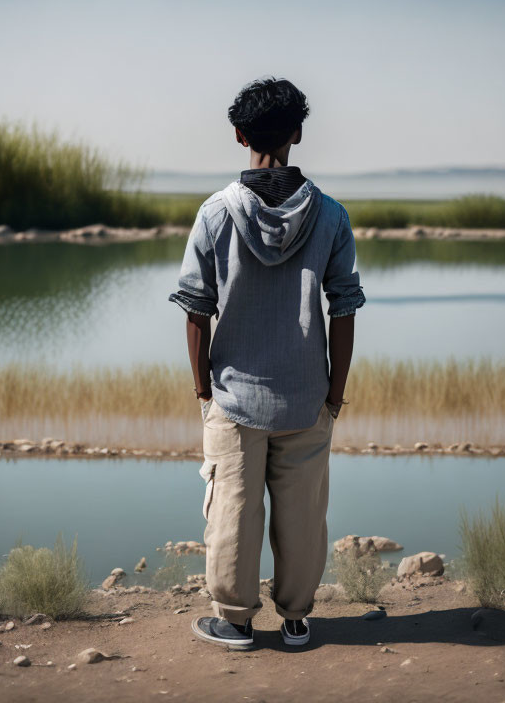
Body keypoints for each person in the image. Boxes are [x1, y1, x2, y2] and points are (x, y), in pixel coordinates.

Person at [168, 77, 365, 649]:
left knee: (231, 509)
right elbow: (345, 310)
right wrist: (334, 394)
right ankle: (298, 621)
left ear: (238, 134)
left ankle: (233, 620)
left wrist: (204, 390)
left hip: (233, 396)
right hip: (307, 394)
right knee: (303, 514)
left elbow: (195, 311)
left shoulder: (214, 214)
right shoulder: (330, 215)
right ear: (298, 133)